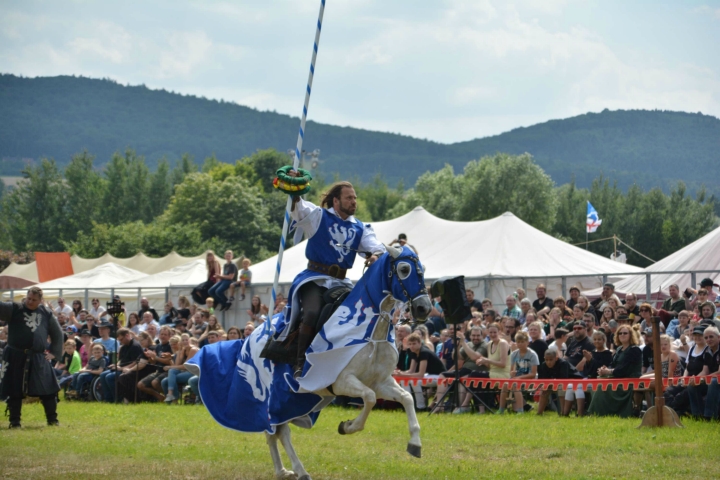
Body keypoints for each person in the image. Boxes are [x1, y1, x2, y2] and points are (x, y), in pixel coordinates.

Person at [277, 181, 385, 377]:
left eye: (355, 198)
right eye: (349, 198)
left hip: (342, 283)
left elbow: (375, 246)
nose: (354, 202)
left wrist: (375, 255)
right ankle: (300, 362)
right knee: (312, 313)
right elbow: (299, 209)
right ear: (336, 201)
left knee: (358, 315)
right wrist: (295, 193)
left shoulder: (360, 227)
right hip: (315, 279)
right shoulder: (319, 216)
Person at [0, 287, 64, 427]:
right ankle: (14, 422)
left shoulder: (46, 313)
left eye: (34, 300)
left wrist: (54, 353)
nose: (30, 301)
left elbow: (58, 334)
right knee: (14, 390)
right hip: (15, 355)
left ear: (40, 301)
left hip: (38, 356)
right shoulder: (14, 308)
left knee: (48, 389)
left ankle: (52, 420)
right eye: (29, 298)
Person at [588, 325, 642, 417]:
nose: (622, 335)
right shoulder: (619, 349)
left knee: (602, 387)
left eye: (625, 333)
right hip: (617, 378)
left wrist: (609, 371)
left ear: (631, 335)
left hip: (630, 380)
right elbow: (612, 364)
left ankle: (596, 413)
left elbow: (625, 369)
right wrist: (604, 369)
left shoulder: (634, 350)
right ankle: (600, 412)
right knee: (596, 384)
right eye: (620, 333)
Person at [431, 326, 489, 414]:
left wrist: (463, 343)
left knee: (462, 379)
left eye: (478, 335)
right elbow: (457, 357)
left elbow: (475, 357)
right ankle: (439, 406)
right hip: (464, 370)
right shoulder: (469, 344)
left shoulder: (484, 344)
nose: (475, 338)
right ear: (470, 336)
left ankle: (461, 407)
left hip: (476, 372)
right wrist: (457, 346)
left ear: (482, 336)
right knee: (443, 375)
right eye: (473, 335)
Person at [395, 332, 444, 410]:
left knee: (415, 381)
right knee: (404, 381)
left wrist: (402, 374)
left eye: (414, 344)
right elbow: (411, 371)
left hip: (439, 376)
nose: (411, 346)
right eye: (410, 344)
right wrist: (399, 373)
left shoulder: (424, 352)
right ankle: (408, 405)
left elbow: (420, 374)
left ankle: (420, 406)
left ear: (420, 343)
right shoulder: (414, 353)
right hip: (429, 375)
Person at [498, 332, 538, 414]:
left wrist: (519, 378)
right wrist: (512, 374)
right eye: (518, 342)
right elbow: (511, 371)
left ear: (527, 342)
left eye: (522, 342)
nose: (520, 344)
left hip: (529, 379)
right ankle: (501, 409)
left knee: (515, 385)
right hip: (516, 378)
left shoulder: (532, 355)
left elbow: (533, 374)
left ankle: (520, 410)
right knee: (505, 385)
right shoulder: (514, 354)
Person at [99, 328, 143, 403]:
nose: (120, 342)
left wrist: (122, 368)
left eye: (121, 339)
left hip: (131, 370)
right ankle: (108, 399)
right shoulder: (123, 347)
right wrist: (116, 365)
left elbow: (136, 362)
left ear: (127, 335)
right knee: (103, 375)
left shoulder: (135, 346)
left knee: (109, 377)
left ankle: (118, 399)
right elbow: (121, 360)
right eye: (119, 340)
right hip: (122, 368)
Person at [162, 334, 200, 404]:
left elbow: (186, 366)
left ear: (189, 340)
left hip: (195, 372)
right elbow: (177, 365)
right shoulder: (183, 350)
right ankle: (172, 398)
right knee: (164, 381)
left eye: (186, 340)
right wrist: (180, 351)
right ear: (180, 342)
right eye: (183, 340)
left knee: (171, 376)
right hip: (186, 372)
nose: (185, 341)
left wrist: (170, 367)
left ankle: (173, 397)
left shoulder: (193, 349)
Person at [685, 325, 712, 418]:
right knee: (670, 391)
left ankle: (697, 415)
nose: (697, 337)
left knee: (689, 389)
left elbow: (705, 371)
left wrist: (694, 380)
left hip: (702, 381)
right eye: (695, 335)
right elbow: (686, 368)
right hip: (689, 380)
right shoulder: (692, 348)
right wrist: (684, 379)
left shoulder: (708, 350)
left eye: (700, 335)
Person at [536, 349, 571, 415]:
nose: (548, 362)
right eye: (546, 360)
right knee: (545, 389)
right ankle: (539, 413)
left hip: (572, 381)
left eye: (551, 360)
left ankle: (563, 413)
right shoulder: (544, 365)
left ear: (556, 358)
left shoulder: (563, 363)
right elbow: (544, 380)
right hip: (556, 383)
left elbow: (564, 379)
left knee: (561, 387)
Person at [701, 327, 720, 421]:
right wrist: (695, 379)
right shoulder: (706, 351)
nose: (708, 339)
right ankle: (697, 414)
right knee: (692, 385)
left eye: (711, 337)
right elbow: (705, 371)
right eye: (706, 338)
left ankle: (710, 416)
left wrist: (705, 378)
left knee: (712, 382)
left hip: (716, 379)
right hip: (712, 378)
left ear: (719, 337)